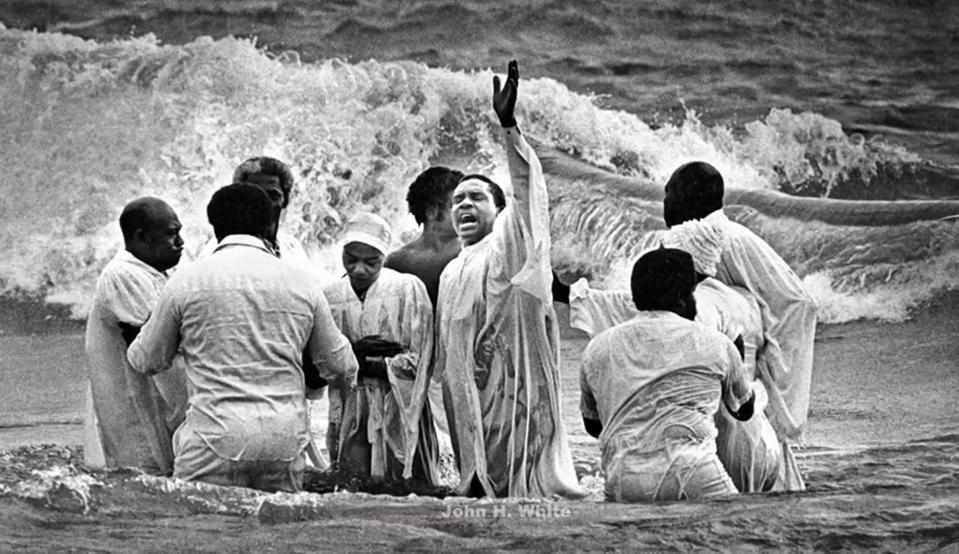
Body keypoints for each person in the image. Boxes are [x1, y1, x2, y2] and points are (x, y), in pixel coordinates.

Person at [127, 184, 357, 492]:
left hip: (212, 440)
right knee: (277, 533)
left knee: (203, 529)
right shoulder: (302, 284)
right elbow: (341, 366)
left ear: (214, 225)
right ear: (267, 224)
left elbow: (147, 360)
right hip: (283, 442)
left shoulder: (186, 282)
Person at [433, 61, 584, 498]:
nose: (464, 204)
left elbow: (525, 192)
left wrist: (509, 126)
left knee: (526, 488)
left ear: (498, 211)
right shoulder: (449, 270)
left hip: (515, 388)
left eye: (476, 196)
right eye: (457, 199)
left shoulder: (507, 244)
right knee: (477, 489)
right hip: (472, 397)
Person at [580, 248, 755, 502]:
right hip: (696, 474)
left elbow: (594, 425)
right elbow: (744, 410)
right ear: (682, 299)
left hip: (625, 479)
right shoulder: (718, 344)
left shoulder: (598, 347)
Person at [663, 161, 816, 454]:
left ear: (688, 196)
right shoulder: (699, 236)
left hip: (745, 379)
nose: (665, 203)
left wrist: (775, 389)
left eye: (669, 193)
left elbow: (798, 304)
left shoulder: (726, 237)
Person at [324, 213, 440, 485]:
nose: (359, 269)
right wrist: (356, 355)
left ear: (385, 257)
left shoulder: (408, 289)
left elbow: (424, 359)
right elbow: (321, 361)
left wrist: (371, 365)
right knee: (352, 485)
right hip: (350, 404)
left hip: (399, 404)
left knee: (404, 484)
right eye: (351, 260)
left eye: (371, 262)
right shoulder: (329, 296)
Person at [84, 197, 188, 475]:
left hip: (153, 405)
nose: (180, 242)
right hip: (132, 407)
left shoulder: (154, 272)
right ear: (141, 237)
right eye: (171, 234)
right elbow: (155, 350)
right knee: (141, 476)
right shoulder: (123, 275)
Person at [385, 167, 465, 307]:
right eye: (457, 204)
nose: (467, 209)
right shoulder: (398, 263)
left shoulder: (475, 251)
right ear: (431, 212)